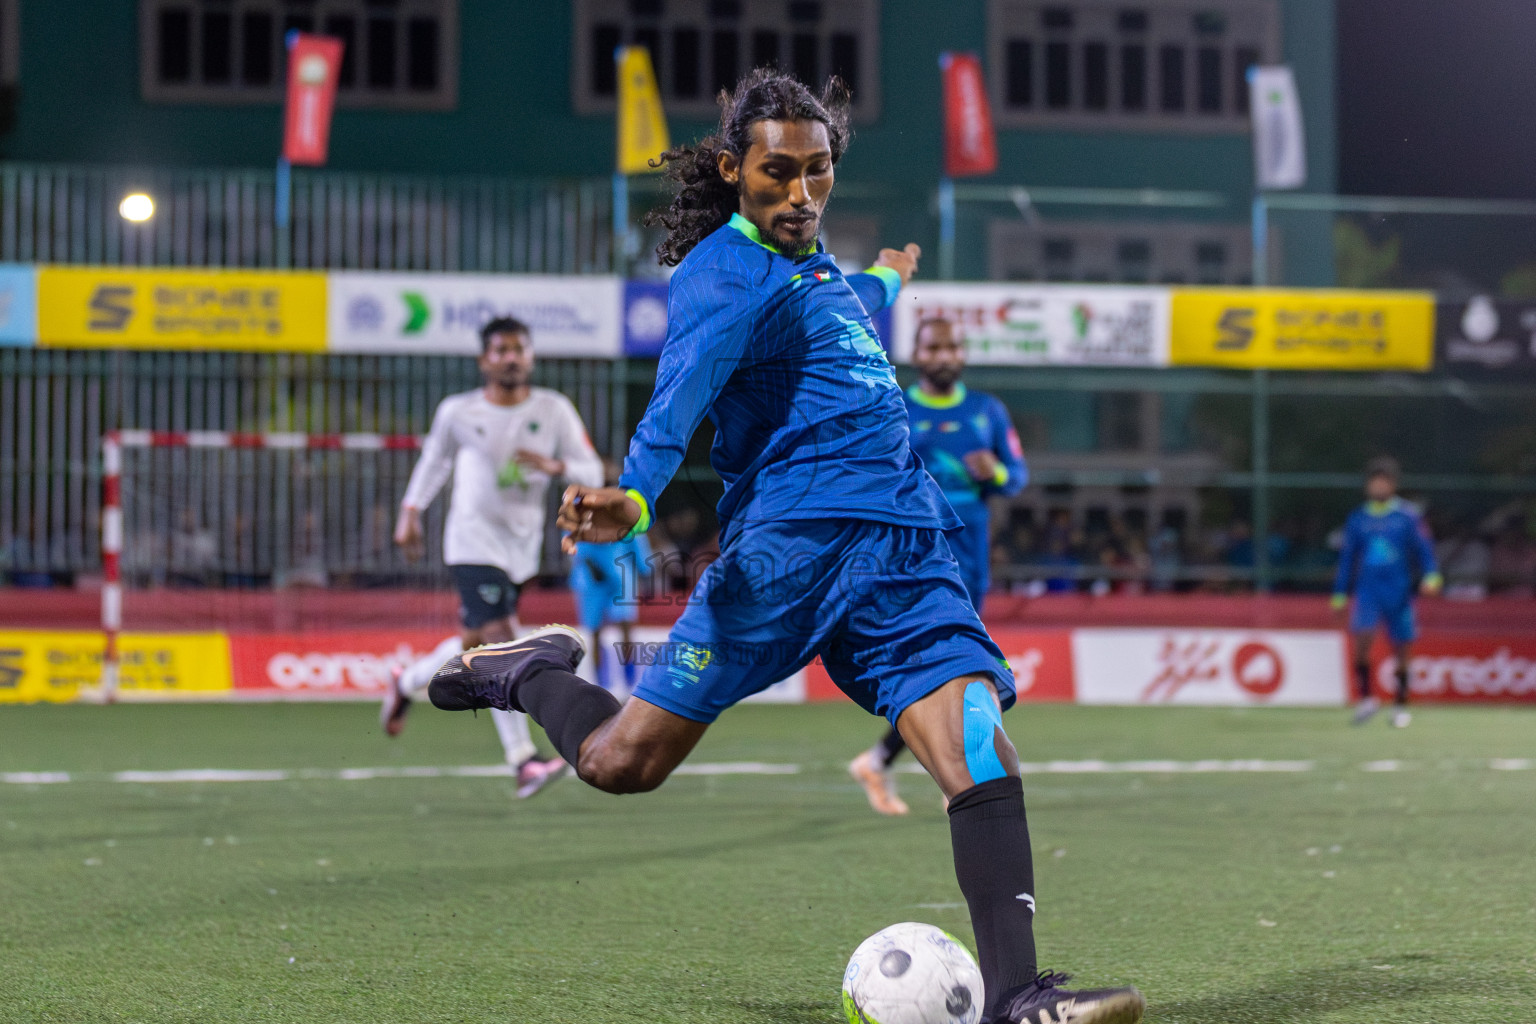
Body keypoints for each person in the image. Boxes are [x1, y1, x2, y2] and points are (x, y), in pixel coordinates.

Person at [426, 71, 1143, 1024]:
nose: (802, 194)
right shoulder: (721, 275)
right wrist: (633, 500)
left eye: (820, 172)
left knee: (979, 742)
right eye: (778, 174)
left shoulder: (819, 267)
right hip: (786, 554)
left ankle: (1019, 999)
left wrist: (894, 274)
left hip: (903, 549)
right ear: (733, 170)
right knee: (621, 763)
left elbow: (859, 298)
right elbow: (678, 399)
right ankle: (528, 670)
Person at [381, 315, 603, 798]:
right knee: (504, 640)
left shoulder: (554, 409)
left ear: (530, 357)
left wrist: (558, 466)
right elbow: (434, 461)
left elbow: (590, 466)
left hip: (520, 547)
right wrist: (410, 510)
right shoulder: (458, 412)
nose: (510, 357)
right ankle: (523, 760)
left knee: (474, 643)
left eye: (518, 349)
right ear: (485, 360)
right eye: (500, 350)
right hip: (471, 541)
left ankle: (406, 681)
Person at [850, 317, 1027, 817]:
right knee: (954, 667)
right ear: (918, 353)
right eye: (934, 347)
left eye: (952, 346)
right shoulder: (897, 408)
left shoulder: (987, 411)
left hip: (970, 557)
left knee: (956, 668)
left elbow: (1016, 474)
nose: (944, 355)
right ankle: (961, 770)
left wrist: (997, 473)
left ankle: (886, 760)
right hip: (913, 558)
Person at [1332, 457, 1441, 728]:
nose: (1379, 486)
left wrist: (1432, 575)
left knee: (1402, 648)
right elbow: (1348, 558)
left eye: (1384, 481)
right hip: (1368, 592)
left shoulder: (1407, 516)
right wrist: (1339, 592)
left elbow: (1424, 550)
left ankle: (1400, 705)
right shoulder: (1358, 518)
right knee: (1362, 644)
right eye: (1374, 481)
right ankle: (1367, 700)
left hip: (1399, 592)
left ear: (1392, 485)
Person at [570, 463, 655, 695]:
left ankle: (629, 686)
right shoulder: (580, 509)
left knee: (625, 629)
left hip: (620, 576)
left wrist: (646, 571)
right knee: (595, 631)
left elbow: (636, 540)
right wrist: (588, 563)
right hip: (590, 579)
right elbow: (572, 543)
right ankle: (602, 686)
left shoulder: (622, 506)